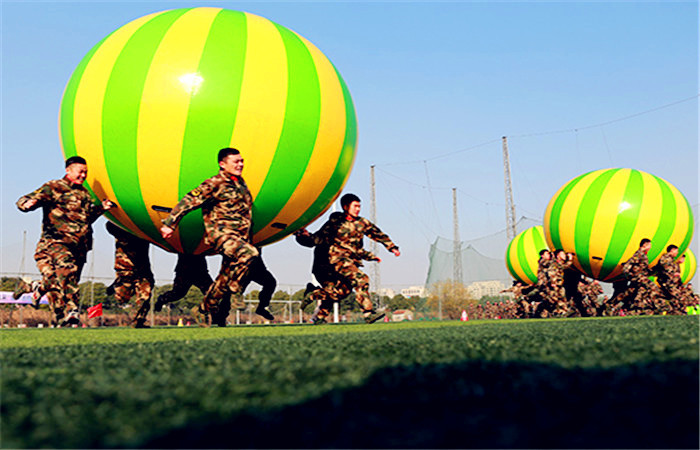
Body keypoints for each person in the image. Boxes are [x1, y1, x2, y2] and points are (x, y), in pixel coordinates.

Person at [160, 148, 257, 326]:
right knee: (249, 254)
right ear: (222, 164)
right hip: (222, 234)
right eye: (236, 161)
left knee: (223, 281)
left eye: (242, 161)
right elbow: (189, 200)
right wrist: (170, 223)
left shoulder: (240, 184)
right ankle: (237, 290)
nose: (241, 164)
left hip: (240, 238)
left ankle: (203, 309)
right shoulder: (214, 183)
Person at [16, 156, 114, 326]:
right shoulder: (54, 187)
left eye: (85, 172)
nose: (83, 175)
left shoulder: (84, 194)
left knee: (64, 281)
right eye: (80, 171)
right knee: (67, 270)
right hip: (56, 242)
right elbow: (27, 199)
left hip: (80, 245)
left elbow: (86, 218)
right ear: (68, 170)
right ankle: (73, 311)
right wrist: (26, 204)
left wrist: (101, 209)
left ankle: (36, 289)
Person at [303, 194, 400, 324]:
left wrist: (391, 247)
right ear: (345, 207)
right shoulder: (335, 223)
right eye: (355, 206)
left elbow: (376, 233)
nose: (358, 209)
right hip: (336, 260)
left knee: (342, 292)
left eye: (359, 206)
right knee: (361, 279)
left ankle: (317, 307)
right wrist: (302, 235)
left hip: (351, 261)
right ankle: (368, 313)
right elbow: (317, 238)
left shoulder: (362, 223)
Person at [294, 211, 348, 320]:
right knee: (332, 291)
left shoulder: (335, 231)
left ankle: (318, 316)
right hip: (323, 269)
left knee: (337, 292)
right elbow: (314, 240)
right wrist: (300, 235)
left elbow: (313, 239)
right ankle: (313, 296)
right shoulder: (329, 231)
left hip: (333, 269)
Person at [105, 222, 154, 328]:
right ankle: (116, 286)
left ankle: (138, 320)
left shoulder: (143, 230)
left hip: (142, 269)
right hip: (125, 269)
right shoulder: (121, 230)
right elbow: (109, 225)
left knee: (145, 294)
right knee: (122, 298)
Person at [621, 238, 660, 314]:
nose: (650, 247)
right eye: (649, 245)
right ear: (645, 245)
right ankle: (659, 307)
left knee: (638, 292)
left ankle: (632, 310)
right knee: (653, 287)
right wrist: (629, 275)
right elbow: (628, 264)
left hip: (641, 276)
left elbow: (643, 268)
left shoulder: (643, 255)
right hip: (638, 277)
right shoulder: (639, 254)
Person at [654, 245, 683, 313]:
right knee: (677, 297)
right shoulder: (665, 258)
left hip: (672, 283)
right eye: (676, 250)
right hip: (667, 283)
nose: (677, 252)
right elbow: (666, 270)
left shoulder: (672, 260)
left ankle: (675, 313)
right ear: (672, 250)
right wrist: (674, 274)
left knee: (675, 298)